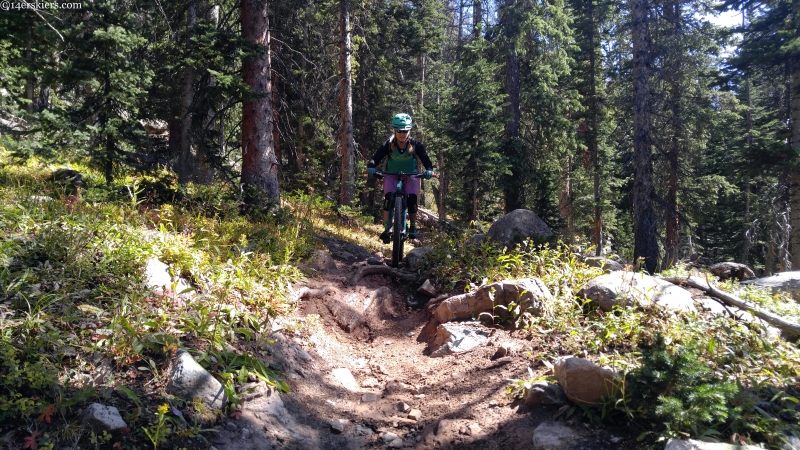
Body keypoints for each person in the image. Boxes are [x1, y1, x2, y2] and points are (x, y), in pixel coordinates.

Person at [367, 113, 433, 243]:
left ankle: (413, 227)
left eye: (405, 131)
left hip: (410, 175)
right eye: (399, 131)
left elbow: (426, 160)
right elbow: (376, 158)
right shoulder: (389, 144)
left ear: (409, 130)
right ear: (394, 130)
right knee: (388, 199)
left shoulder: (415, 144)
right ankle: (387, 229)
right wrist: (371, 166)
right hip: (391, 174)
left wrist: (429, 170)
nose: (402, 134)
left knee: (412, 199)